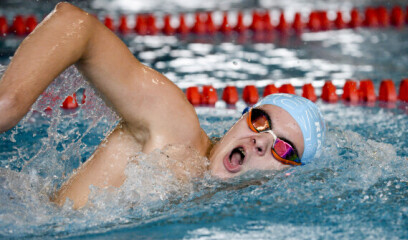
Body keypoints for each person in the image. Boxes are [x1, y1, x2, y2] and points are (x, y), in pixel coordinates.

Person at [0, 2, 325, 209]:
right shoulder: (176, 130)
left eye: (284, 149)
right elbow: (77, 24)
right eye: (260, 121)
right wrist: (9, 103)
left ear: (288, 177)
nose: (261, 140)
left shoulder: (208, 202)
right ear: (240, 120)